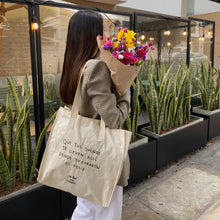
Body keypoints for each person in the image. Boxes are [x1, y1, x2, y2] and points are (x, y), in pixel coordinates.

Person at [60, 10, 130, 220]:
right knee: (106, 212)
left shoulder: (73, 65)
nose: (104, 37)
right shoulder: (96, 67)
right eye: (100, 32)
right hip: (101, 158)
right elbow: (114, 120)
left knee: (85, 209)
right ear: (92, 34)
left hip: (82, 153)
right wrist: (126, 91)